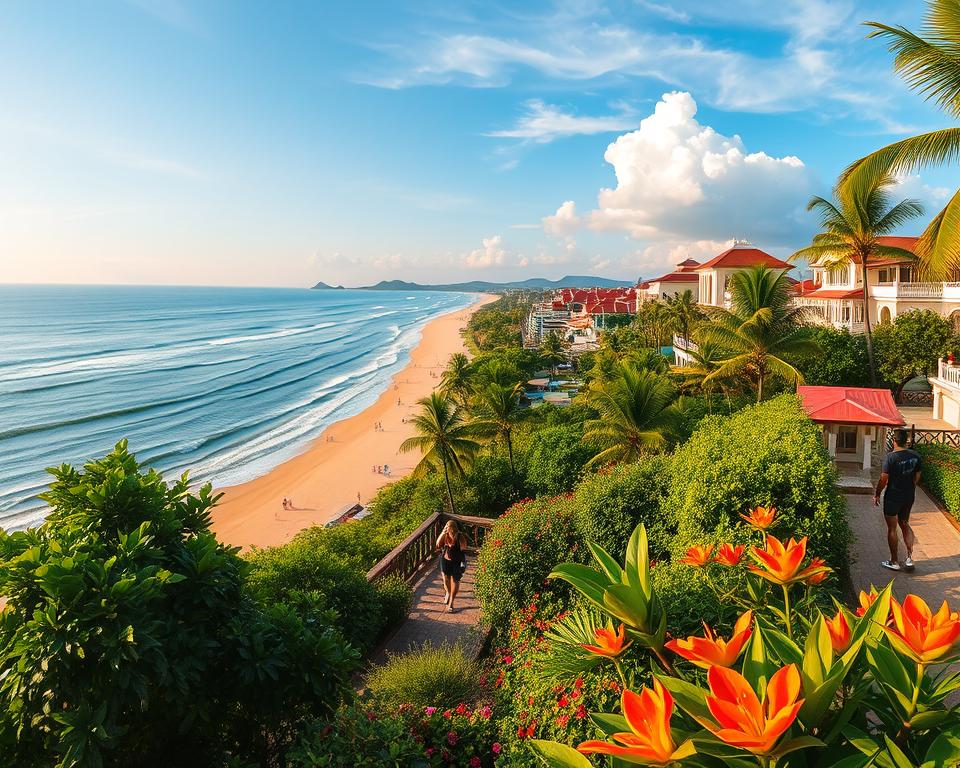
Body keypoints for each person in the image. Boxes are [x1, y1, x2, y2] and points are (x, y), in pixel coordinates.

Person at [874, 428, 921, 572]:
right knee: (905, 524)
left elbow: (883, 479)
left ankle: (894, 561)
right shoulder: (916, 456)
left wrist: (877, 493)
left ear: (894, 441)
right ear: (905, 441)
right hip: (908, 496)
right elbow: (917, 478)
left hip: (893, 496)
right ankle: (909, 558)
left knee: (892, 528)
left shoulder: (890, 458)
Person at [436, 520, 467, 613]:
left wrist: (454, 544)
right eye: (445, 526)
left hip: (456, 561)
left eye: (447, 526)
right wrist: (442, 533)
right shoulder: (445, 535)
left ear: (453, 527)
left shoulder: (459, 536)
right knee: (446, 580)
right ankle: (448, 593)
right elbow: (438, 544)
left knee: (455, 580)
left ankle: (451, 603)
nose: (446, 528)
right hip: (445, 559)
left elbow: (464, 547)